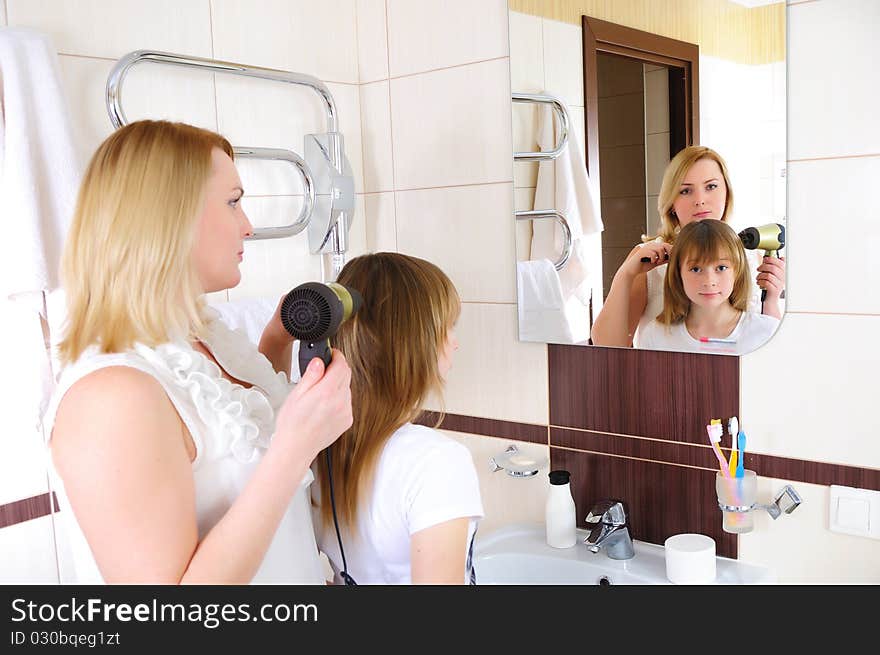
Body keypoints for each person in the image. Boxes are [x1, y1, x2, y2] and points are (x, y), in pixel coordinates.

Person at [43, 120, 353, 584]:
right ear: (167, 217)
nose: (247, 227)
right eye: (233, 202)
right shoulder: (110, 398)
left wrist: (276, 340)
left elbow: (232, 441)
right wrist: (294, 451)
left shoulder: (206, 341)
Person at [312, 252, 484, 585]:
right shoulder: (436, 462)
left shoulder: (319, 450)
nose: (455, 343)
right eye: (447, 328)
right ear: (415, 343)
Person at [590, 145, 785, 348]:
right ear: (671, 202)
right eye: (685, 191)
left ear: (727, 192)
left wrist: (771, 298)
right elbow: (607, 346)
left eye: (711, 187)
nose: (700, 200)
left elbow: (768, 345)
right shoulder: (646, 262)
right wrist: (626, 276)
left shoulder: (753, 259)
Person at [636, 220, 779, 355]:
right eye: (696, 269)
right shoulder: (655, 336)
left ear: (737, 271)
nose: (709, 281)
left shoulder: (767, 332)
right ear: (678, 273)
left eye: (721, 268)